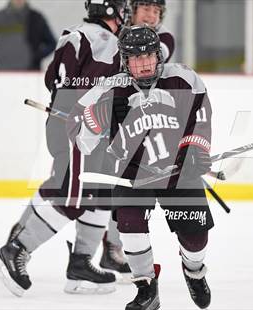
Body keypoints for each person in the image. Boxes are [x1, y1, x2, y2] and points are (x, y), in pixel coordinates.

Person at [0, 0, 129, 297]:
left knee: (102, 191)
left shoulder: (73, 33)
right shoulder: (107, 41)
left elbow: (51, 76)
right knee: (75, 196)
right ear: (113, 12)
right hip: (85, 124)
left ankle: (80, 264)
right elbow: (104, 85)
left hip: (63, 116)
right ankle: (16, 250)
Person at [68, 25, 213, 310]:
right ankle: (146, 288)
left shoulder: (183, 79)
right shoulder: (109, 88)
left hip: (179, 170)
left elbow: (202, 116)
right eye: (136, 58)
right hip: (131, 173)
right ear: (124, 61)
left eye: (149, 56)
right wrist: (92, 120)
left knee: (195, 237)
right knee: (131, 229)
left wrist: (196, 147)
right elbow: (77, 133)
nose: (144, 64)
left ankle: (194, 271)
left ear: (159, 56)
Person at [98, 0, 176, 274]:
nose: (151, 15)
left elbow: (144, 67)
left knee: (125, 186)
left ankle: (112, 247)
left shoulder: (162, 38)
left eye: (156, 11)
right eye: (146, 9)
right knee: (100, 188)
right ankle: (92, 251)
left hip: (144, 119)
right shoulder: (113, 32)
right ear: (132, 10)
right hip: (113, 115)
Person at [0, 0, 56, 71]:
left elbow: (52, 43)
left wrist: (36, 56)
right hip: (4, 71)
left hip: (30, 71)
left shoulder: (37, 18)